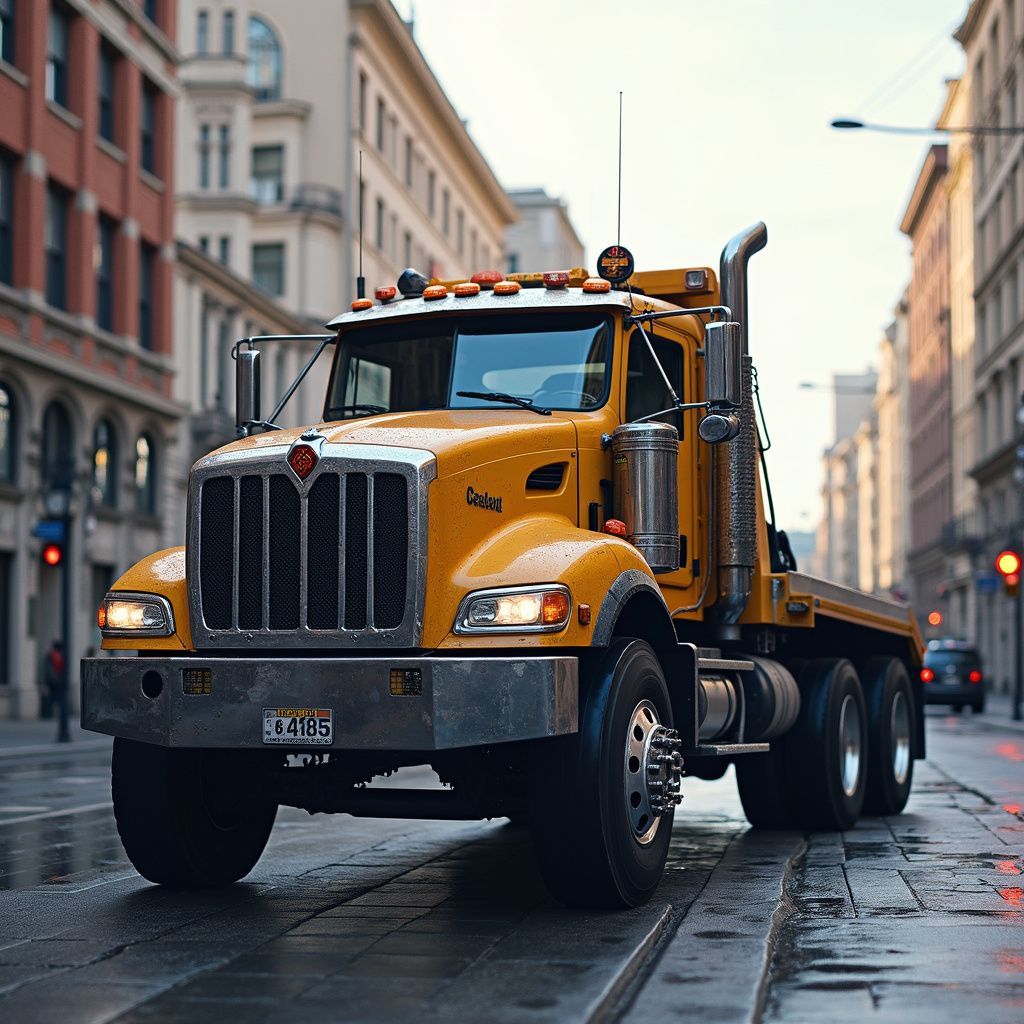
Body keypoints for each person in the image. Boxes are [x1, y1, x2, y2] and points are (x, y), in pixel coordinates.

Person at [46, 640, 71, 743]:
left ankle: (49, 713)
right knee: (57, 699)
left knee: (54, 699)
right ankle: (49, 714)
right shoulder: (54, 656)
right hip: (56, 681)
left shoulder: (52, 656)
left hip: (55, 681)